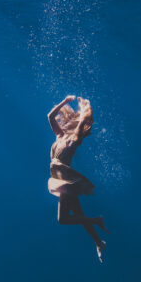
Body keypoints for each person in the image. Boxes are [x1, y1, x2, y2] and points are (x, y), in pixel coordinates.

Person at [47, 95, 109, 262]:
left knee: (63, 219)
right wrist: (65, 102)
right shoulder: (59, 136)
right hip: (60, 178)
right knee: (77, 214)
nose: (65, 123)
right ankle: (98, 242)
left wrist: (83, 114)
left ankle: (96, 220)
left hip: (64, 179)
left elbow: (81, 126)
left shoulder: (73, 140)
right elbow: (50, 116)